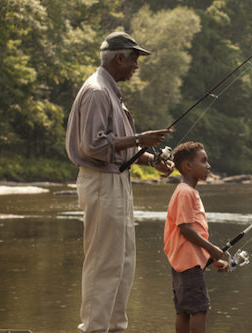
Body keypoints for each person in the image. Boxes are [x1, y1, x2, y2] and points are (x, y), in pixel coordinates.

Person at [65, 31, 175, 333]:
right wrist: (141, 138)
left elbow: (119, 148)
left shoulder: (111, 92)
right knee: (104, 262)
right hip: (101, 182)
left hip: (116, 180)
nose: (136, 66)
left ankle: (115, 328)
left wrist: (150, 159)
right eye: (134, 59)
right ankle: (94, 328)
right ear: (118, 58)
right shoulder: (98, 92)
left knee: (123, 262)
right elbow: (94, 146)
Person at [163, 141, 229, 333]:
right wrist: (212, 249)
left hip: (183, 261)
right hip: (188, 262)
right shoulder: (185, 192)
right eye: (203, 161)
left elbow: (193, 234)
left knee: (183, 310)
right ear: (187, 166)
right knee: (199, 309)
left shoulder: (187, 191)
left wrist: (211, 259)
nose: (208, 166)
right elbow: (185, 229)